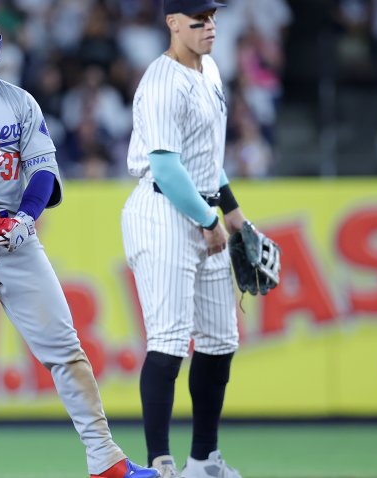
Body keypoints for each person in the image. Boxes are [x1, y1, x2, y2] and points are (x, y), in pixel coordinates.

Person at [0, 2, 160, 478]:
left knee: (66, 349)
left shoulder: (19, 101)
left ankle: (105, 460)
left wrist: (26, 215)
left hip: (15, 236)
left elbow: (43, 171)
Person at [121, 1, 256, 477]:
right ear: (172, 23)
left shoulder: (212, 70)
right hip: (162, 210)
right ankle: (162, 465)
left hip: (201, 207)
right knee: (170, 340)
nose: (210, 26)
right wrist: (208, 218)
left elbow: (204, 157)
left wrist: (233, 212)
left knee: (220, 340)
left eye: (213, 17)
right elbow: (166, 167)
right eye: (198, 19)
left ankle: (204, 460)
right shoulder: (160, 82)